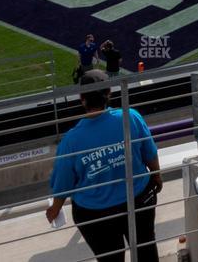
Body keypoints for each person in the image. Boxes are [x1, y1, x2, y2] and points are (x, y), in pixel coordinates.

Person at [46, 72, 161, 262]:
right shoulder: (130, 117)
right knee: (146, 250)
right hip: (139, 199)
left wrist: (55, 209)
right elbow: (150, 154)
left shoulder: (70, 140)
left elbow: (62, 183)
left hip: (95, 213)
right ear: (108, 93)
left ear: (81, 99)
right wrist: (156, 177)